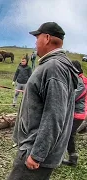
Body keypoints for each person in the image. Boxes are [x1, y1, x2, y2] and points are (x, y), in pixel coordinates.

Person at [8, 22, 78, 180]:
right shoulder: (56, 66)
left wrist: (37, 154)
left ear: (46, 38)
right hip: (36, 149)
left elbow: (54, 116)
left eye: (37, 37)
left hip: (34, 152)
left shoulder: (53, 68)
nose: (35, 42)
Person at [62, 60, 87, 166]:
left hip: (77, 114)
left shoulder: (82, 81)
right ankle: (71, 157)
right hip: (74, 112)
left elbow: (74, 96)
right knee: (67, 135)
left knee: (68, 135)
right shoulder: (77, 78)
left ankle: (71, 158)